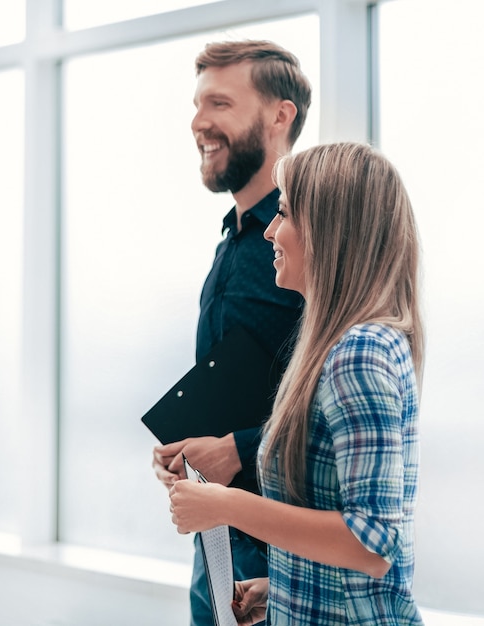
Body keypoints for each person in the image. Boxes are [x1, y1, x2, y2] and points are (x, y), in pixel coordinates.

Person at [169, 142, 425, 625]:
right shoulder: (345, 347)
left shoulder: (359, 353)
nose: (269, 231)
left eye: (283, 213)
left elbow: (372, 543)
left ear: (331, 231)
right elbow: (344, 528)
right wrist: (280, 587)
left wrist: (227, 504)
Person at [151, 40, 312, 625]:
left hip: (279, 550)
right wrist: (192, 451)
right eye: (197, 105)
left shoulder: (306, 243)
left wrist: (236, 450)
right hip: (216, 532)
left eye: (219, 102)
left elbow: (330, 404)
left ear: (279, 115)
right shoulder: (234, 240)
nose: (198, 122)